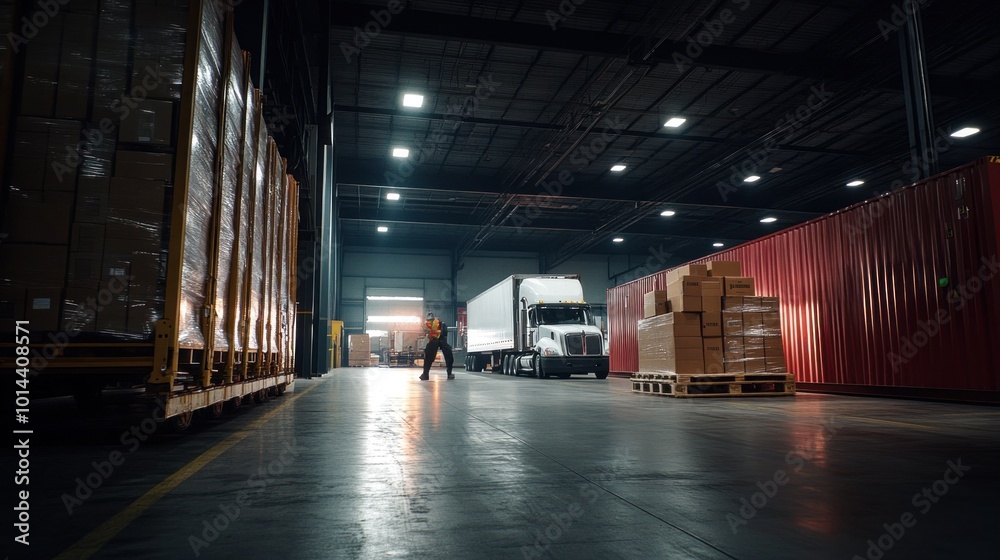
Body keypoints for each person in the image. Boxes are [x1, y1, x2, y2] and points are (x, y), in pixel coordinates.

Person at [419, 312, 454, 380]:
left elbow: (444, 333)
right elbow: (426, 334)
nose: (430, 321)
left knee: (448, 354)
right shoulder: (426, 325)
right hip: (434, 340)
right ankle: (425, 374)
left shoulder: (440, 324)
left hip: (441, 340)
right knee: (428, 356)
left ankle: (449, 373)